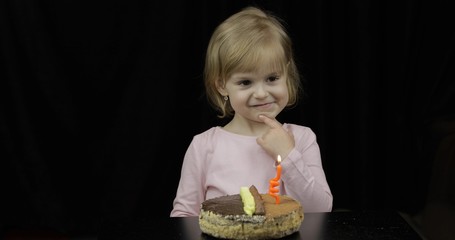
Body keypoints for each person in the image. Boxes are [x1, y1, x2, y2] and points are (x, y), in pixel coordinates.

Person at [170, 6, 333, 217]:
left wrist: (288, 155)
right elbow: (184, 215)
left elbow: (320, 211)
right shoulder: (204, 146)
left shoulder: (302, 139)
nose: (261, 93)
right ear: (221, 85)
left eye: (272, 78)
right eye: (246, 82)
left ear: (287, 73)